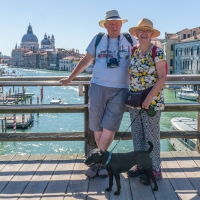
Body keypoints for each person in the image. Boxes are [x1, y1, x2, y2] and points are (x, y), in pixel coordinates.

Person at [59, 10, 137, 178]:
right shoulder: (98, 38)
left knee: (109, 126)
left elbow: (139, 60)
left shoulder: (130, 40)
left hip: (121, 89)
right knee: (96, 126)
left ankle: (95, 164)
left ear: (121, 24)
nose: (114, 26)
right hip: (97, 86)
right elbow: (85, 60)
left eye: (117, 23)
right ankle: (103, 163)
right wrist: (70, 78)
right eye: (111, 23)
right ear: (106, 25)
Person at [126, 18, 167, 183]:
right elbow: (129, 74)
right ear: (136, 34)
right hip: (135, 101)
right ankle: (141, 165)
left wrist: (149, 98)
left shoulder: (158, 52)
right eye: (141, 31)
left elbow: (163, 77)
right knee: (137, 135)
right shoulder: (133, 51)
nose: (144, 33)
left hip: (152, 103)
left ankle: (155, 169)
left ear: (151, 34)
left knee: (151, 136)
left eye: (147, 31)